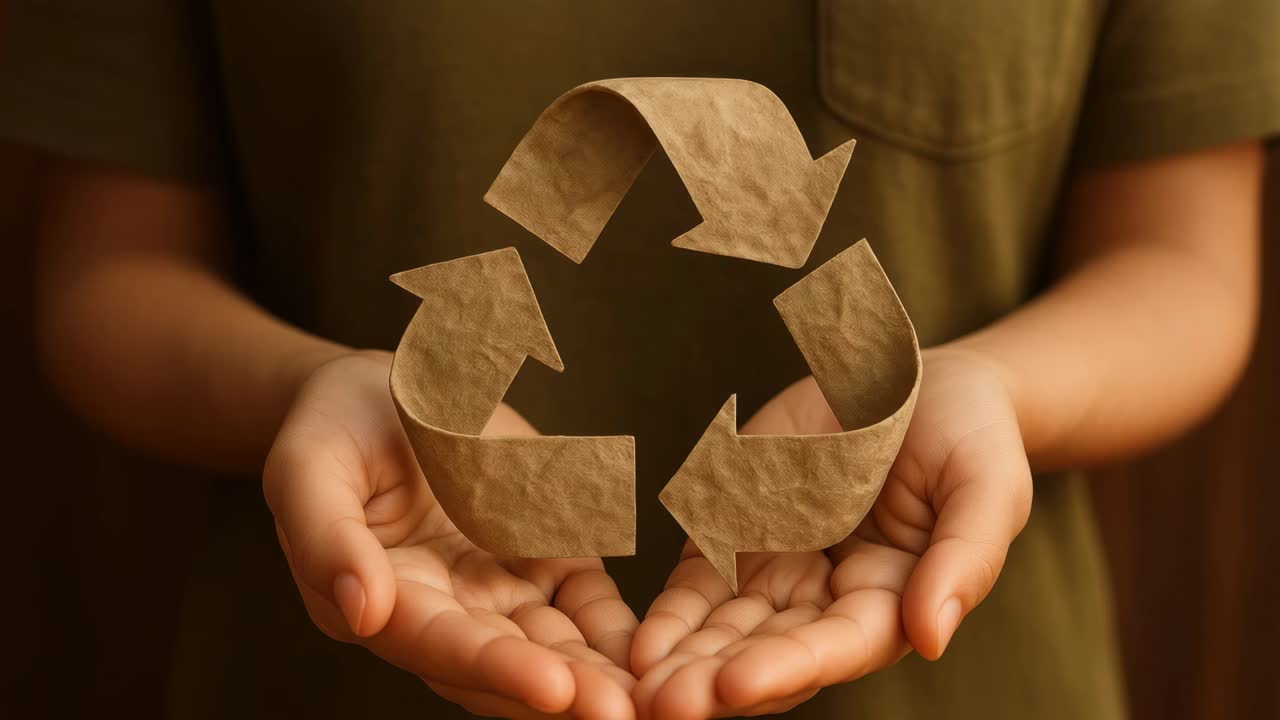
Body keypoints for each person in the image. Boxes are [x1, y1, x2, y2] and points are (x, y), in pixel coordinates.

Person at [2, 1, 1276, 718]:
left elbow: (1186, 265)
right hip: (332, 666)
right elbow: (105, 277)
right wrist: (314, 393)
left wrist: (993, 389)